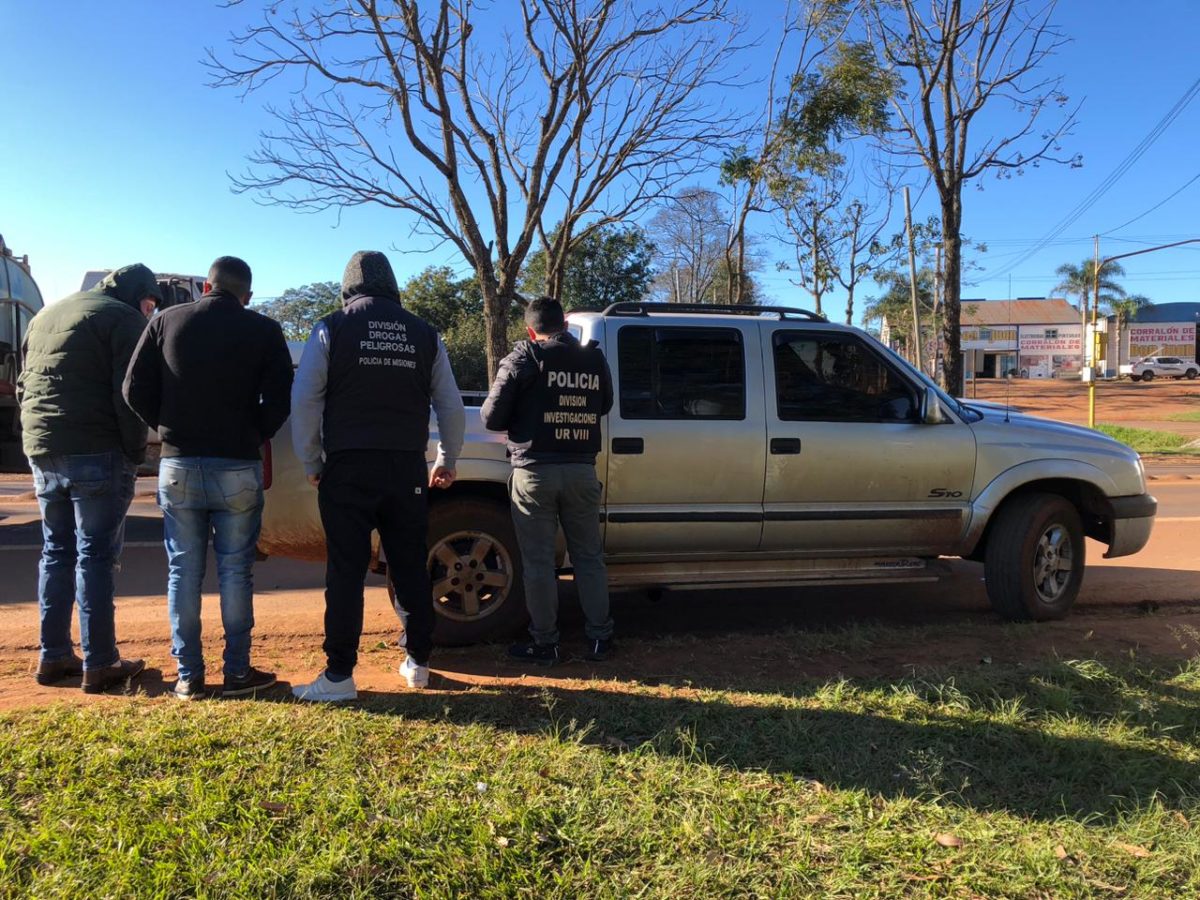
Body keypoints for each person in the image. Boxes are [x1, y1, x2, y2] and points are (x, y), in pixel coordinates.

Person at [290, 251, 465, 701]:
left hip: (347, 466)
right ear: (392, 285)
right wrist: (446, 457)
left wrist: (312, 462)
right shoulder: (426, 334)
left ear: (348, 286)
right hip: (406, 466)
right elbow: (449, 403)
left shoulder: (331, 327)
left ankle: (339, 676)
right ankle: (418, 663)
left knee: (345, 571)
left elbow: (306, 399)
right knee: (409, 564)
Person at [123, 256, 293, 700]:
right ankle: (237, 673)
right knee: (236, 572)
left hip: (179, 465)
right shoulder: (264, 330)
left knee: (183, 571)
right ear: (247, 295)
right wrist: (254, 432)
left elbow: (132, 388)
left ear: (205, 287)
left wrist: (168, 428)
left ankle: (188, 677)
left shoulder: (166, 321)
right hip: (237, 465)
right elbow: (280, 399)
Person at [17, 264, 161, 694]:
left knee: (56, 551)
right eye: (151, 303)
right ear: (138, 296)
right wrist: (136, 454)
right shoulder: (124, 319)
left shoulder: (47, 315)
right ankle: (101, 663)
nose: (152, 312)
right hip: (97, 450)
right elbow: (130, 395)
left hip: (43, 447)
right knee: (95, 557)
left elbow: (25, 384)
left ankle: (53, 655)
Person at [481, 295, 614, 666]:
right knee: (589, 558)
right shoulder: (594, 358)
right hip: (581, 472)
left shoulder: (523, 357)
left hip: (534, 473)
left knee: (538, 563)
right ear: (566, 326)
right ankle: (601, 639)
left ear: (530, 329)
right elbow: (605, 404)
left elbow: (491, 418)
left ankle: (546, 644)